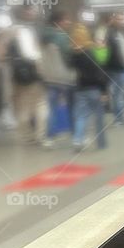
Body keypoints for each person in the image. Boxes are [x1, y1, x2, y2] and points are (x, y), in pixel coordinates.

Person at [8, 4, 47, 144]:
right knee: (40, 105)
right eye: (32, 11)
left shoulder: (11, 31)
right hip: (32, 75)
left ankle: (26, 135)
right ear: (25, 13)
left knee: (23, 106)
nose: (34, 13)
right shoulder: (26, 31)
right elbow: (32, 55)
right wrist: (40, 69)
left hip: (18, 75)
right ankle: (39, 135)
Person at [68, 22, 109, 151]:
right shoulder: (92, 52)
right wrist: (104, 91)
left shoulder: (73, 55)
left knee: (80, 116)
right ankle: (101, 143)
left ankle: (77, 140)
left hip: (80, 89)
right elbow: (100, 72)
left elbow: (70, 68)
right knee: (99, 117)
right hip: (95, 89)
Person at [39, 9, 75, 147]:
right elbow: (68, 57)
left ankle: (49, 138)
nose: (68, 22)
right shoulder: (61, 36)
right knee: (72, 106)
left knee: (51, 108)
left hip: (49, 77)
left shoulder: (42, 37)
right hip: (64, 77)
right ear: (59, 22)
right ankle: (75, 134)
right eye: (66, 20)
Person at [103, 13, 124, 126]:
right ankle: (118, 119)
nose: (122, 21)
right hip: (115, 68)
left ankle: (120, 117)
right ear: (114, 20)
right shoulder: (110, 33)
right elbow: (109, 52)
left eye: (123, 19)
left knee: (120, 94)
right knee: (117, 95)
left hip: (123, 67)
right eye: (119, 19)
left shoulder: (120, 33)